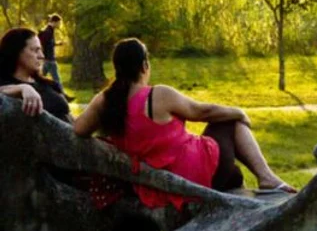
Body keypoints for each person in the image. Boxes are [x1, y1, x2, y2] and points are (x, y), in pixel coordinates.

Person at [74, 38, 294, 209]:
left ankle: (255, 180)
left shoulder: (106, 100)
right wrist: (239, 112)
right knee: (229, 123)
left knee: (232, 170)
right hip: (194, 177)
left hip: (156, 189)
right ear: (144, 65)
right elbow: (202, 111)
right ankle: (267, 178)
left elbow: (79, 129)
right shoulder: (157, 95)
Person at [0, 27, 71, 122]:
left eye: (41, 50)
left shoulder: (50, 85)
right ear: (16, 52)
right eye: (35, 50)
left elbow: (71, 121)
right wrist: (23, 88)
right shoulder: (5, 84)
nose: (42, 56)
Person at [37, 14, 70, 99]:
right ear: (54, 22)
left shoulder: (50, 31)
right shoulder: (48, 31)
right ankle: (63, 96)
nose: (59, 25)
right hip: (49, 59)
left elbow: (49, 44)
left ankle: (35, 90)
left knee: (40, 77)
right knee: (56, 79)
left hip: (48, 59)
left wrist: (57, 44)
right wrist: (43, 55)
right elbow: (42, 44)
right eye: (59, 23)